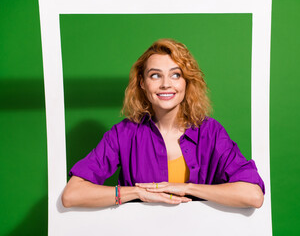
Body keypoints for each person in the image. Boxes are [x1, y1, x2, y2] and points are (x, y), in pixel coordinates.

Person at [62, 38, 265, 208]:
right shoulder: (124, 133)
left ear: (186, 81)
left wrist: (187, 188)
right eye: (155, 75)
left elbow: (253, 195)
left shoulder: (210, 132)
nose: (166, 84)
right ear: (142, 83)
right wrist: (137, 193)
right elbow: (72, 194)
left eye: (176, 75)